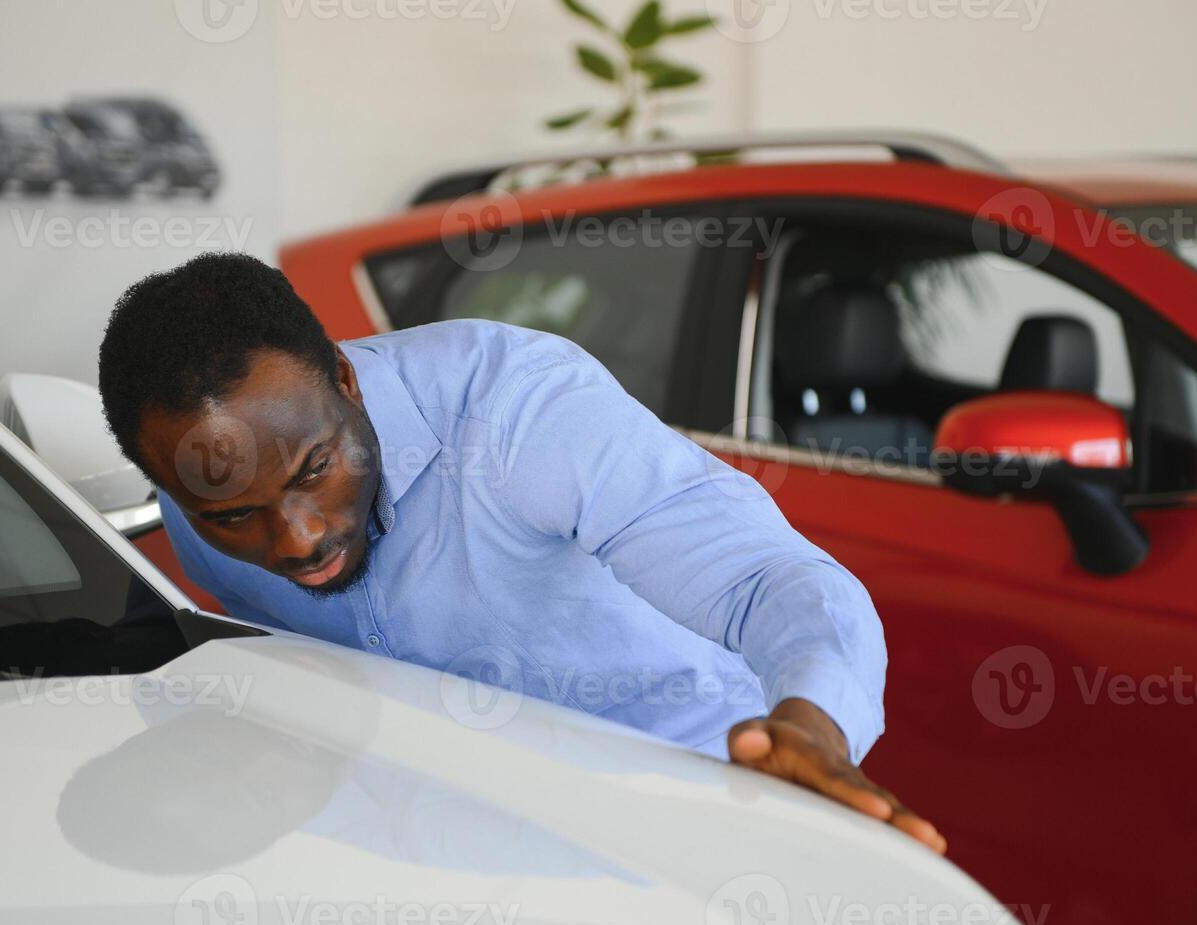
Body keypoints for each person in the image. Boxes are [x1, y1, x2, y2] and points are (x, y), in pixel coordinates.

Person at [97, 252, 943, 853]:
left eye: (315, 468)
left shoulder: (517, 412)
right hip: (435, 867)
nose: (298, 538)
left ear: (347, 381)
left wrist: (813, 719)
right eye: (234, 516)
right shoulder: (189, 482)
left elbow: (762, 580)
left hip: (681, 830)